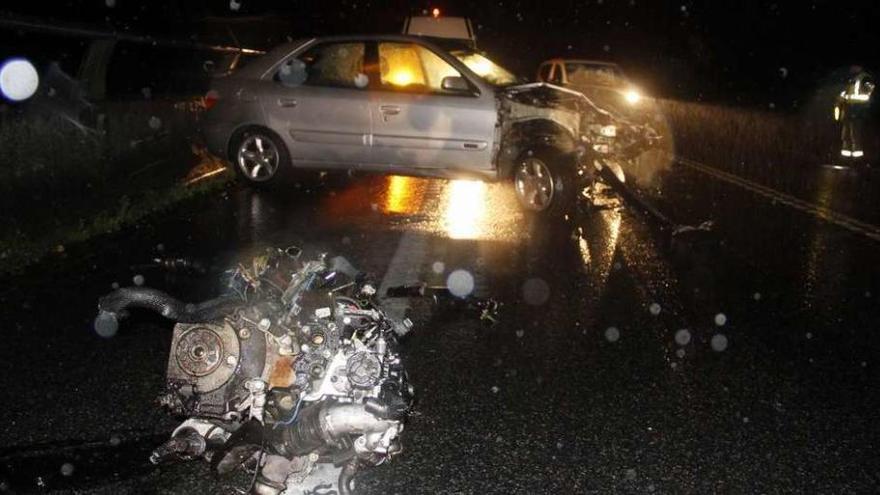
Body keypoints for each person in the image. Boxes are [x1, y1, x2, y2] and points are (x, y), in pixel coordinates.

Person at [834, 67, 874, 159]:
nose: (852, 68)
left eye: (854, 67)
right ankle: (846, 156)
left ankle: (857, 157)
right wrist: (842, 98)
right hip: (848, 111)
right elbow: (845, 94)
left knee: (855, 134)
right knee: (845, 134)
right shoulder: (852, 79)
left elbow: (867, 95)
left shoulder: (865, 78)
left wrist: (851, 98)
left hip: (857, 111)